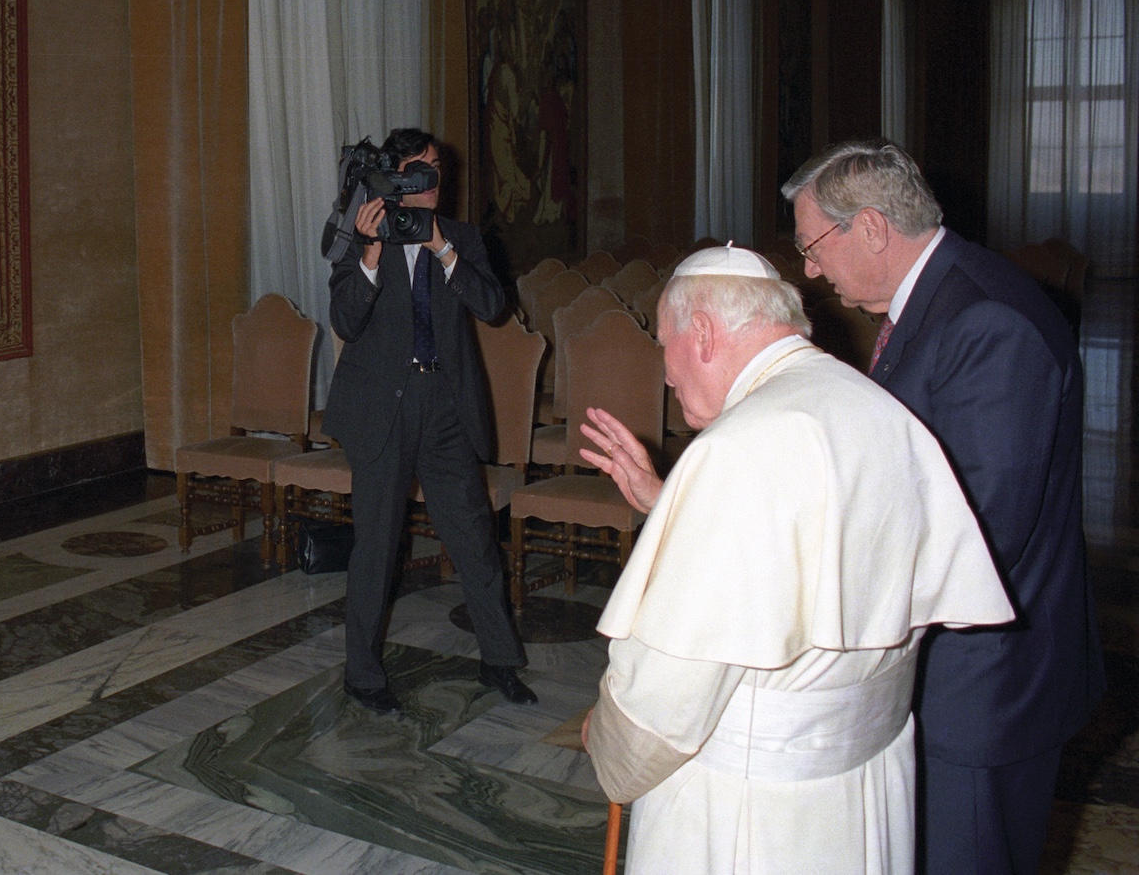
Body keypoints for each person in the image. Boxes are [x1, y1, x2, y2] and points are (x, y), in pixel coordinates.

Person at [578, 245, 1012, 873]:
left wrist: (610, 737)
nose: (666, 377)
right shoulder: (877, 408)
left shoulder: (737, 447)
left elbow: (664, 706)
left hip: (749, 812)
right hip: (866, 784)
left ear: (700, 332)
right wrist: (669, 502)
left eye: (665, 347)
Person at [783, 140, 1104, 874]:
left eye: (812, 245)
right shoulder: (938, 301)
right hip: (958, 677)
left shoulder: (985, 321)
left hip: (986, 689)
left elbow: (984, 529)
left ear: (869, 228)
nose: (808, 269)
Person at [324, 128, 534, 714]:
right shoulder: (361, 236)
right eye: (419, 171)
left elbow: (492, 307)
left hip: (443, 406)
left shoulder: (463, 237)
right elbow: (345, 321)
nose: (433, 181)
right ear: (392, 179)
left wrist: (444, 250)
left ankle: (500, 661)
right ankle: (362, 675)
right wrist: (367, 254)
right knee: (377, 548)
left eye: (438, 168)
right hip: (382, 411)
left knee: (473, 539)